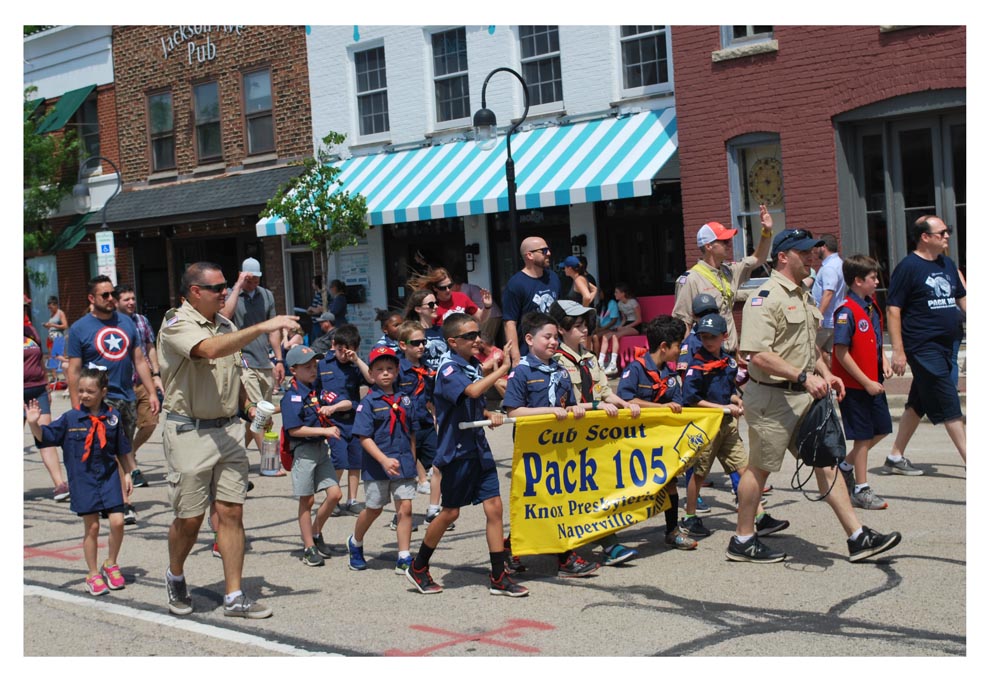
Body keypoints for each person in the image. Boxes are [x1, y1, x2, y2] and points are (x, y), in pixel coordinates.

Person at [731, 229, 901, 564]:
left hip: (804, 397)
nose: (812, 257)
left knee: (826, 461)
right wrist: (803, 376)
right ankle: (742, 538)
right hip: (771, 399)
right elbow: (757, 354)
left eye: (813, 251)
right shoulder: (764, 297)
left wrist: (827, 373)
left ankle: (857, 536)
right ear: (783, 256)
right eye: (804, 252)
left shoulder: (803, 296)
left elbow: (806, 347)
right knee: (760, 469)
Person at [158, 261, 297, 618]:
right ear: (195, 292)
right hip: (189, 431)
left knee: (232, 513)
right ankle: (175, 575)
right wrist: (263, 326)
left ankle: (234, 595)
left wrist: (252, 410)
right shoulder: (176, 323)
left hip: (228, 431)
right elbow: (210, 350)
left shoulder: (226, 324)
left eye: (225, 286)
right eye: (218, 287)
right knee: (189, 519)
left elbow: (233, 378)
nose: (224, 293)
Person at [406, 313, 527, 597]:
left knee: (494, 508)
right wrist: (502, 369)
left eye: (478, 334)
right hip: (456, 451)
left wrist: (489, 414)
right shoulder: (448, 370)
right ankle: (419, 566)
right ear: (452, 341)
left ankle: (499, 575)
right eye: (470, 336)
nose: (477, 340)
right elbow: (471, 392)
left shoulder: (471, 365)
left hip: (478, 447)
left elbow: (471, 404)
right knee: (449, 513)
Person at [502, 311, 600, 577]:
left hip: (560, 447)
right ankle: (562, 558)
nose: (553, 342)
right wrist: (548, 413)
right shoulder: (521, 372)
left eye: (556, 337)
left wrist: (580, 409)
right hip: (534, 449)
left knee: (557, 500)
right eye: (547, 337)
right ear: (530, 339)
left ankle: (513, 549)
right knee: (538, 501)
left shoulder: (560, 371)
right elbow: (513, 412)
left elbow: (566, 406)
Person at [25, 367, 136, 596]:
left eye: (90, 391)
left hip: (108, 478)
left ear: (103, 392)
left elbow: (122, 449)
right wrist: (34, 424)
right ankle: (93, 573)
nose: (84, 395)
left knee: (118, 522)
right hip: (83, 480)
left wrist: (127, 473)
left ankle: (111, 564)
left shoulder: (113, 417)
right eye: (81, 390)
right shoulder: (70, 418)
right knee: (92, 527)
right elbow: (46, 437)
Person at [549, 300, 642, 567]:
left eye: (585, 325)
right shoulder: (554, 360)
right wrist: (595, 405)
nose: (584, 330)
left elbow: (603, 390)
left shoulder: (589, 358)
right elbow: (562, 402)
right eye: (577, 326)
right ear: (561, 329)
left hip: (591, 435)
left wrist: (624, 403)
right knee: (561, 495)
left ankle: (608, 544)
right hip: (563, 438)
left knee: (593, 489)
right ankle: (514, 547)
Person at [679, 313, 786, 540]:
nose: (708, 341)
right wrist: (722, 407)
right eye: (704, 336)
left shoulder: (728, 363)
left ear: (724, 336)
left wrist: (736, 400)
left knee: (745, 469)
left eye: (713, 337)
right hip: (706, 425)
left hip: (727, 426)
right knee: (698, 474)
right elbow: (691, 398)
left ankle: (761, 517)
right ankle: (689, 518)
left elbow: (729, 391)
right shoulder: (696, 366)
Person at [66, 276, 160, 526]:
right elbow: (73, 371)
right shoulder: (79, 328)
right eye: (104, 295)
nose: (110, 299)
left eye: (111, 295)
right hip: (96, 402)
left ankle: (116, 500)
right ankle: (120, 503)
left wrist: (151, 391)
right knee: (105, 452)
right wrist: (77, 405)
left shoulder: (126, 323)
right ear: (92, 299)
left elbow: (139, 359)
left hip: (126, 396)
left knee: (122, 450)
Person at [886, 215, 967, 466]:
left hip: (948, 344)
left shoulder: (947, 264)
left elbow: (962, 298)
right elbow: (893, 309)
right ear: (925, 237)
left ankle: (895, 455)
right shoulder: (908, 267)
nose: (947, 236)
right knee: (948, 398)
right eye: (942, 232)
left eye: (947, 231)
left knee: (918, 401)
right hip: (923, 346)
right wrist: (898, 351)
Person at [616, 315, 697, 551]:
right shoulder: (636, 369)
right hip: (634, 444)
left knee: (670, 483)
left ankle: (672, 531)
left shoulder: (671, 376)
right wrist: (659, 408)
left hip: (662, 442)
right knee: (624, 489)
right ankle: (607, 536)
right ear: (664, 346)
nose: (680, 351)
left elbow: (678, 405)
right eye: (678, 346)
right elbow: (626, 400)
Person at [346, 346, 419, 574]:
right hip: (378, 466)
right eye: (379, 369)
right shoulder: (367, 403)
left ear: (397, 371)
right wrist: (384, 460)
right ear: (371, 374)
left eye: (390, 368)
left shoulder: (405, 399)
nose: (385, 373)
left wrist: (413, 460)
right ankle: (355, 542)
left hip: (404, 463)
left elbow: (412, 432)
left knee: (405, 509)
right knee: (374, 508)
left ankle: (404, 556)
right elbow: (364, 437)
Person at [832, 255, 894, 510]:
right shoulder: (846, 311)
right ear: (858, 281)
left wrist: (884, 361)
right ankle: (861, 489)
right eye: (872, 278)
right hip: (857, 387)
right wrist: (866, 381)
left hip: (873, 382)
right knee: (863, 436)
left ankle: (844, 467)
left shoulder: (870, 306)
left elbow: (875, 341)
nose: (877, 282)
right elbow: (841, 352)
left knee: (882, 428)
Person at [672, 206, 774, 356]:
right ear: (709, 246)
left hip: (730, 354)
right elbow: (683, 324)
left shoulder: (728, 271)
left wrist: (766, 232)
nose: (729, 244)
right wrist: (685, 360)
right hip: (706, 358)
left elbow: (759, 258)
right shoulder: (690, 279)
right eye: (724, 241)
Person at [280, 345, 342, 568]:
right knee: (307, 500)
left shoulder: (315, 391)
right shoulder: (292, 396)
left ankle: (316, 532)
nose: (313, 370)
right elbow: (294, 430)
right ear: (294, 370)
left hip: (320, 450)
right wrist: (325, 431)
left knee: (335, 494)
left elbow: (341, 401)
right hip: (304, 452)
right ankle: (308, 547)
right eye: (307, 367)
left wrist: (333, 409)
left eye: (315, 365)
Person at [221, 257, 285, 459]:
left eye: (257, 278)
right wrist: (238, 285)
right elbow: (224, 315)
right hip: (243, 360)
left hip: (264, 360)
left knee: (258, 416)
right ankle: (270, 461)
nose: (253, 282)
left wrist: (279, 359)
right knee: (259, 413)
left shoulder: (266, 295)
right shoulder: (232, 295)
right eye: (250, 278)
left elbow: (273, 328)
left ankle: (234, 454)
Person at [316, 324, 371, 515]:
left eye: (348, 350)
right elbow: (315, 390)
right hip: (334, 421)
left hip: (354, 419)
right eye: (339, 349)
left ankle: (352, 499)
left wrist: (357, 360)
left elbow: (371, 379)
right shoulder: (323, 364)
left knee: (356, 461)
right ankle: (333, 497)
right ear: (333, 345)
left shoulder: (355, 366)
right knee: (339, 460)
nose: (343, 354)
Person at [115, 285, 163, 490]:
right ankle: (131, 471)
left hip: (143, 381)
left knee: (151, 421)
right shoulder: (113, 325)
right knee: (125, 430)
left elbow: (150, 347)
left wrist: (156, 374)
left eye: (133, 298)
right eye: (126, 299)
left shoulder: (141, 321)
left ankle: (130, 452)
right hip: (123, 384)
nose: (131, 302)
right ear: (116, 302)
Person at [24, 310, 69, 501]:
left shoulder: (30, 331)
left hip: (38, 390)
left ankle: (60, 485)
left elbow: (41, 361)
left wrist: (47, 388)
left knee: (45, 437)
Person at [395, 321, 438, 512]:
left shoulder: (427, 368)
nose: (421, 346)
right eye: (415, 342)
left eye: (423, 341)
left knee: (439, 462)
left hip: (425, 422)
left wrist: (435, 414)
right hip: (405, 425)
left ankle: (434, 507)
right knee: (406, 473)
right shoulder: (396, 369)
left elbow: (430, 395)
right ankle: (402, 516)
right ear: (403, 345)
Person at [502, 236, 562, 365]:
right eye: (544, 251)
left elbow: (559, 312)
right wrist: (516, 357)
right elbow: (510, 323)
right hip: (529, 355)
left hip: (555, 349)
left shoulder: (553, 277)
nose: (549, 253)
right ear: (529, 255)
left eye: (548, 249)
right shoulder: (516, 284)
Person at [408, 267, 493, 326]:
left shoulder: (462, 297)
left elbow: (481, 318)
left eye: (450, 285)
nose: (448, 290)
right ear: (435, 288)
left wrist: (487, 306)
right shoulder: (432, 305)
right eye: (443, 288)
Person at [811, 234, 845, 360]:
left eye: (818, 246)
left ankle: (828, 377)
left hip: (825, 321)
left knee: (811, 351)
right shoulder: (839, 263)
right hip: (832, 319)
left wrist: (819, 316)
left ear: (824, 246)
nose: (815, 250)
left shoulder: (829, 267)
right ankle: (831, 378)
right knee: (827, 354)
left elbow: (828, 292)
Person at [598, 283, 641, 377]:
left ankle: (613, 364)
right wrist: (620, 326)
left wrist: (625, 327)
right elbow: (624, 319)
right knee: (606, 337)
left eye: (617, 292)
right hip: (626, 325)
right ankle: (600, 362)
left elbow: (639, 320)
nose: (615, 294)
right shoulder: (620, 304)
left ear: (623, 293)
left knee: (615, 336)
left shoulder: (633, 302)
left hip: (635, 325)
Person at [403, 289, 448, 371]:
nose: (436, 307)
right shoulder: (410, 332)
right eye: (431, 304)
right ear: (418, 309)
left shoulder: (442, 330)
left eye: (436, 303)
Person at [43, 296, 68, 383]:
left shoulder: (60, 313)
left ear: (56, 305)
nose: (50, 309)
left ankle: (67, 375)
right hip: (51, 337)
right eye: (49, 308)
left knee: (60, 357)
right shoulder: (52, 315)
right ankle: (54, 377)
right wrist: (47, 326)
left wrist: (52, 325)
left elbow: (65, 326)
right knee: (51, 357)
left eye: (51, 307)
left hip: (58, 337)